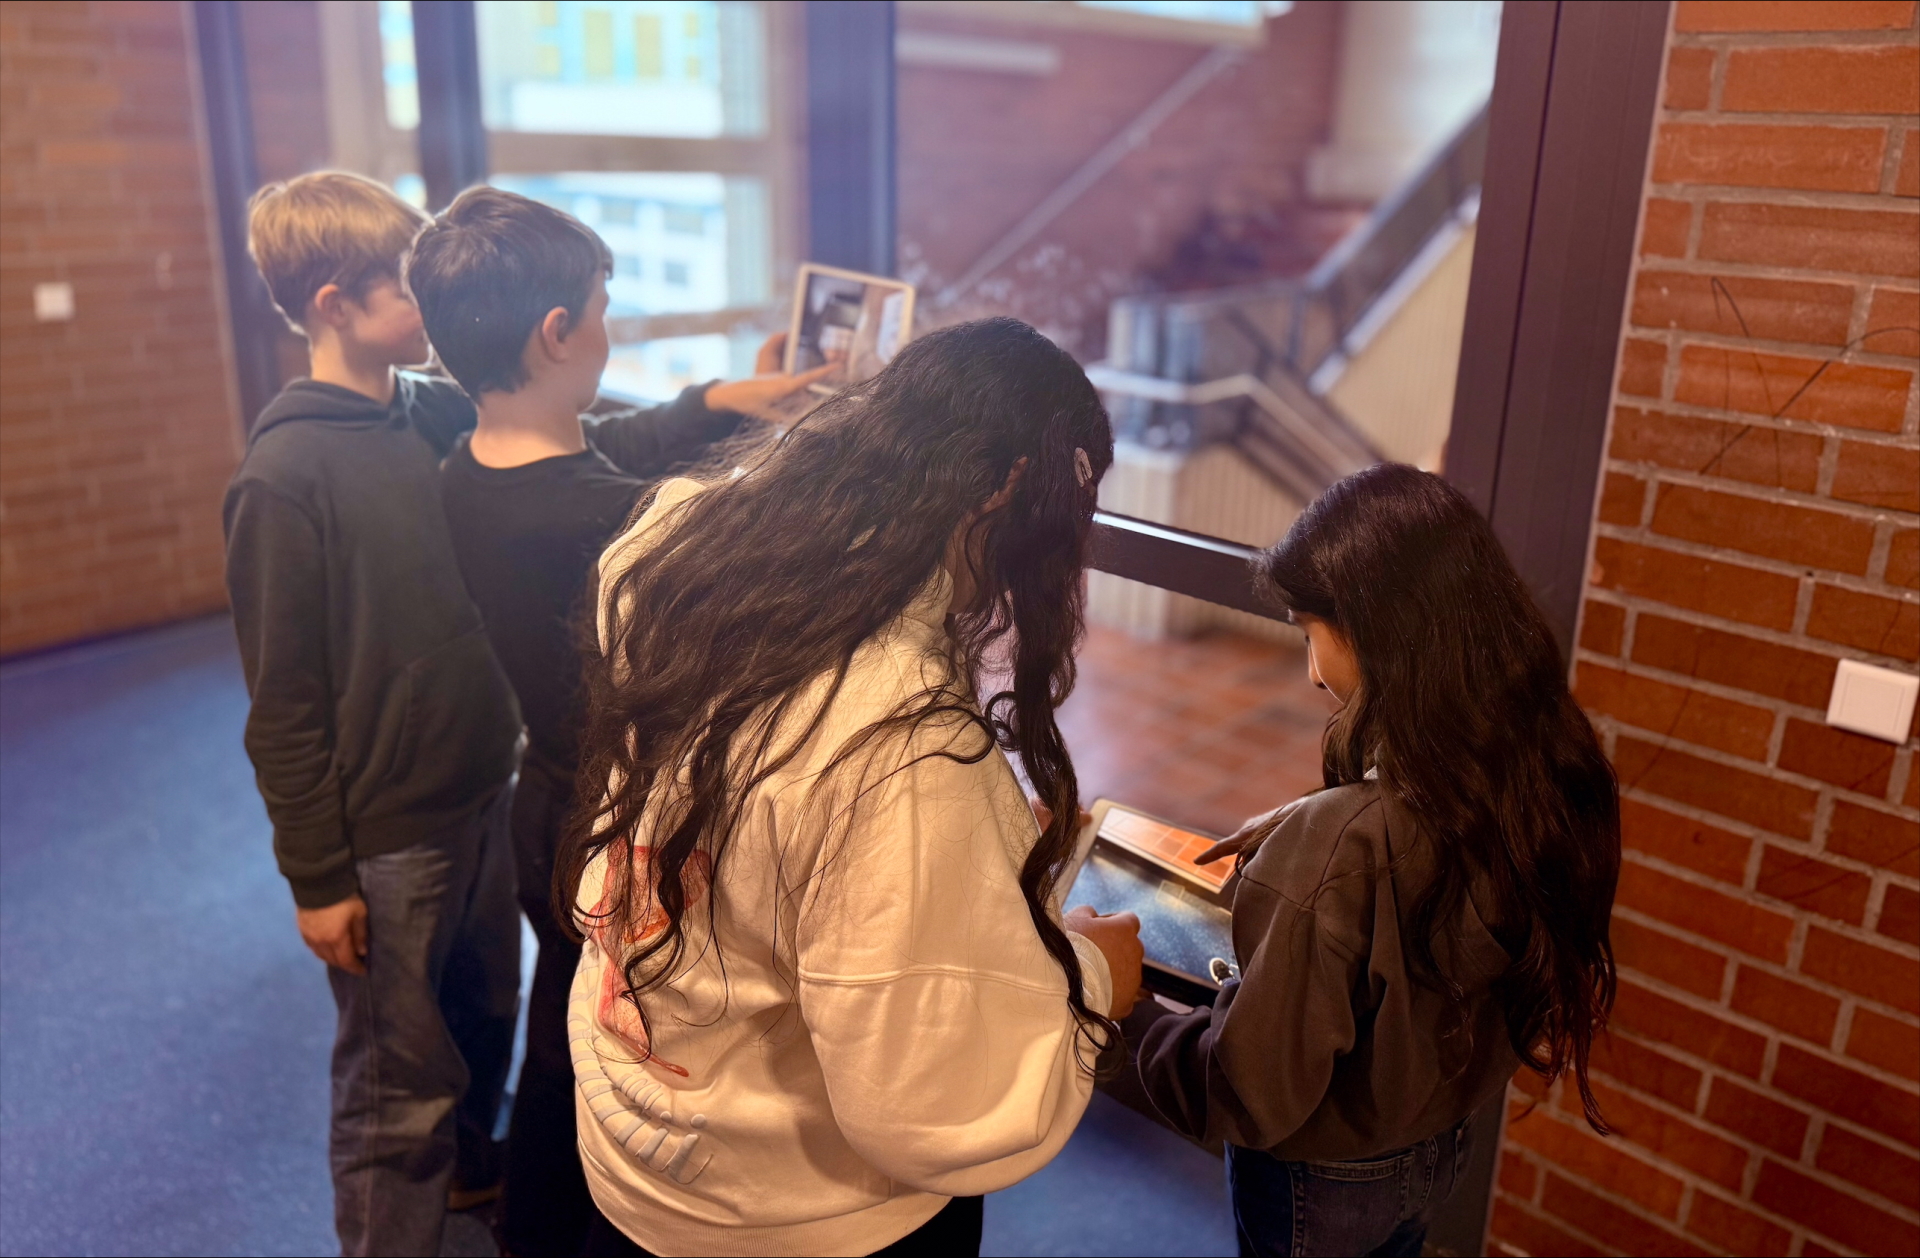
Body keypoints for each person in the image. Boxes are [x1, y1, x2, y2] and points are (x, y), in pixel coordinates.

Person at [560, 316, 1146, 1257]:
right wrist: (1093, 977)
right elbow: (926, 1099)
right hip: (791, 1213)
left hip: (634, 1123)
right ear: (1003, 488)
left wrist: (972, 849)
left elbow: (768, 831)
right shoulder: (899, 743)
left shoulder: (674, 541)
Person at [409, 185, 833, 1258]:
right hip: (609, 825)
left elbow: (602, 443)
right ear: (559, 333)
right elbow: (733, 531)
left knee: (563, 1017)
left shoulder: (470, 468)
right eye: (602, 311)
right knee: (598, 1043)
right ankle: (561, 1223)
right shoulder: (608, 521)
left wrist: (720, 398)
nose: (608, 330)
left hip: (544, 802)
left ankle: (532, 1219)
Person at [1117, 463, 1621, 1258]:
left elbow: (1248, 1092)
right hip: (1436, 1149)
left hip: (1318, 1184)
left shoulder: (1340, 848)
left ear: (1377, 630)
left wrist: (1127, 1015)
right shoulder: (1537, 777)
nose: (1312, 671)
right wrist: (1321, 822)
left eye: (1308, 631)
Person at [222, 171, 522, 1257]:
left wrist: (717, 405)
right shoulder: (283, 479)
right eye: (406, 286)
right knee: (397, 1084)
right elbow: (283, 707)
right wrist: (318, 879)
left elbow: (574, 439)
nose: (428, 305)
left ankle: (472, 1188)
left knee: (486, 1017)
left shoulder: (432, 410)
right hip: (389, 837)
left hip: (482, 790)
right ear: (334, 305)